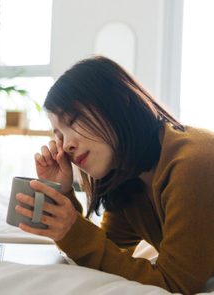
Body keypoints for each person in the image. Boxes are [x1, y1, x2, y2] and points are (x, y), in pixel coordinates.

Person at [14, 56, 214, 294]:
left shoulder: (194, 161)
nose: (66, 145)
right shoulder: (129, 181)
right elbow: (105, 253)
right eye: (59, 134)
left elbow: (175, 283)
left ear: (120, 101)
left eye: (73, 120)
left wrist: (73, 230)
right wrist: (63, 192)